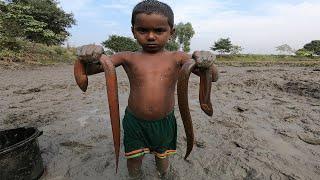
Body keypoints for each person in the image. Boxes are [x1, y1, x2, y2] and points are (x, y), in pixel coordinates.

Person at [77, 0, 218, 179]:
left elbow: (212, 76)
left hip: (164, 122)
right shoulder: (126, 57)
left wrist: (207, 61)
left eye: (159, 31)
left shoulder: (178, 57)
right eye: (143, 30)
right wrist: (88, 56)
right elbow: (89, 70)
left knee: (163, 158)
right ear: (133, 31)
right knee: (134, 160)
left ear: (171, 32)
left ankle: (163, 174)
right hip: (134, 122)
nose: (151, 36)